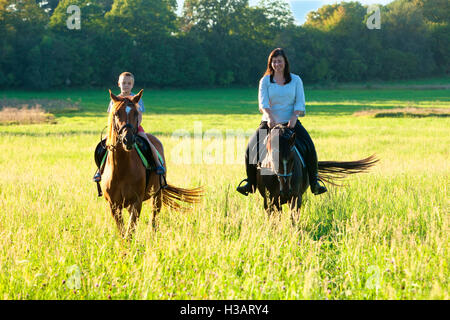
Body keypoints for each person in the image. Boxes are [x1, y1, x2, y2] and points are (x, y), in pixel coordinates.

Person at [237, 48, 327, 196]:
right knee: (250, 149)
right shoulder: (265, 81)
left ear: (285, 62)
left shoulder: (296, 80)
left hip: (290, 123)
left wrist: (294, 116)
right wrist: (269, 116)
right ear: (270, 63)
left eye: (279, 61)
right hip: (269, 122)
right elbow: (263, 103)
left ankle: (314, 182)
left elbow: (300, 101)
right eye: (274, 61)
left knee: (310, 146)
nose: (277, 64)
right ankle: (250, 183)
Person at [93, 72, 165, 183]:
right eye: (124, 83)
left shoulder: (136, 98)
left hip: (134, 128)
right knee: (103, 145)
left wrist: (134, 128)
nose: (126, 85)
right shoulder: (115, 100)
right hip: (117, 130)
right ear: (119, 84)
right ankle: (99, 169)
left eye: (129, 83)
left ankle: (158, 164)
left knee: (148, 142)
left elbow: (139, 116)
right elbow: (111, 117)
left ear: (132, 85)